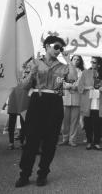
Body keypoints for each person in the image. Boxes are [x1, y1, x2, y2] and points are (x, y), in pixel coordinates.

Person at [15, 36, 77, 188]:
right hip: (37, 101)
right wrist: (31, 73)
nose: (58, 50)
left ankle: (43, 174)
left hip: (55, 103)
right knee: (31, 141)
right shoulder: (34, 62)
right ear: (47, 46)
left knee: (50, 142)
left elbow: (73, 78)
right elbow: (23, 85)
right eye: (56, 47)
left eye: (60, 48)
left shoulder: (62, 66)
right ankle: (24, 174)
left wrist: (68, 60)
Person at [79, 56, 102, 151]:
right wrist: (88, 87)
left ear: (99, 64)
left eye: (94, 62)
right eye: (91, 62)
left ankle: (96, 143)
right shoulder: (85, 72)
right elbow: (80, 87)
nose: (92, 64)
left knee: (98, 124)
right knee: (88, 124)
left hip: (99, 103)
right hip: (88, 102)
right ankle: (89, 142)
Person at [59, 55, 84, 147]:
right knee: (65, 120)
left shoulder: (81, 72)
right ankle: (65, 138)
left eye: (78, 60)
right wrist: (66, 85)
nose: (76, 61)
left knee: (74, 121)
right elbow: (60, 80)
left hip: (77, 98)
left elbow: (81, 82)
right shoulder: (64, 69)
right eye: (74, 59)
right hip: (65, 97)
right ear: (71, 60)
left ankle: (72, 139)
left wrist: (74, 86)